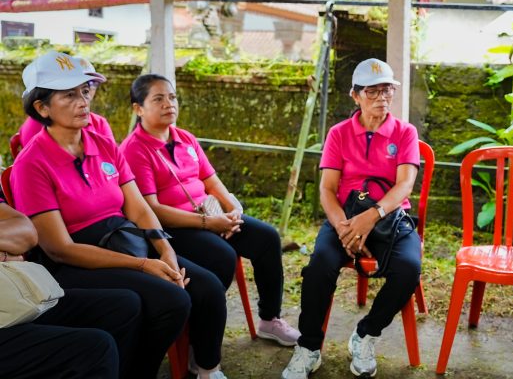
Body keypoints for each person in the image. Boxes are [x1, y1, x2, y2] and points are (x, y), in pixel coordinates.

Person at [11, 51, 229, 379]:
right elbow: (59, 248)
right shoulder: (32, 163)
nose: (83, 101)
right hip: (74, 261)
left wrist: (165, 249)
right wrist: (143, 264)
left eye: (85, 91)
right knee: (170, 300)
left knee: (206, 286)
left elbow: (138, 206)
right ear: (42, 108)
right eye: (69, 95)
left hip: (125, 240)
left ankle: (190, 366)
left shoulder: (104, 143)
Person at [119, 73, 299, 346]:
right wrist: (207, 224)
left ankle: (269, 319)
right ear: (138, 108)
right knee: (222, 256)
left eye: (172, 97)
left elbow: (211, 181)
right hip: (173, 228)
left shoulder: (186, 138)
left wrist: (233, 210)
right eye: (158, 99)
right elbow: (152, 208)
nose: (169, 104)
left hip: (209, 213)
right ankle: (198, 338)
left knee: (267, 238)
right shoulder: (134, 149)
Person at [282, 58, 422, 379]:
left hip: (387, 216)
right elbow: (327, 189)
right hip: (344, 218)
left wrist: (371, 217)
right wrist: (344, 227)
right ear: (355, 96)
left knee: (409, 269)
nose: (382, 98)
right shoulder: (339, 134)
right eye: (372, 92)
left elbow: (404, 184)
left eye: (387, 90)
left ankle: (365, 335)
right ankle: (309, 346)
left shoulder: (405, 132)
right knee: (319, 265)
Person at [0, 195, 142, 379]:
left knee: (122, 306)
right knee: (96, 348)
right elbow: (59, 248)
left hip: (8, 294)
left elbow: (27, 233)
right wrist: (6, 249)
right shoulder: (30, 167)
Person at [18, 55, 115, 146]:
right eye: (70, 94)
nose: (84, 100)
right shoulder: (36, 124)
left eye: (89, 84)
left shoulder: (99, 123)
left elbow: (111, 157)